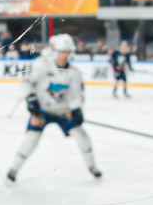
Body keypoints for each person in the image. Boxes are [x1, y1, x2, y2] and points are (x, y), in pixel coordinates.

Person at [5, 34, 101, 184]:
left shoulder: (74, 73)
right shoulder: (43, 67)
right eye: (62, 51)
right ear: (56, 51)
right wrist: (31, 98)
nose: (64, 55)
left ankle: (92, 167)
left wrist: (76, 110)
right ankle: (13, 169)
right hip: (42, 111)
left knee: (82, 136)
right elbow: (27, 82)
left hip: (64, 112)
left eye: (67, 52)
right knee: (31, 139)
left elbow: (77, 95)